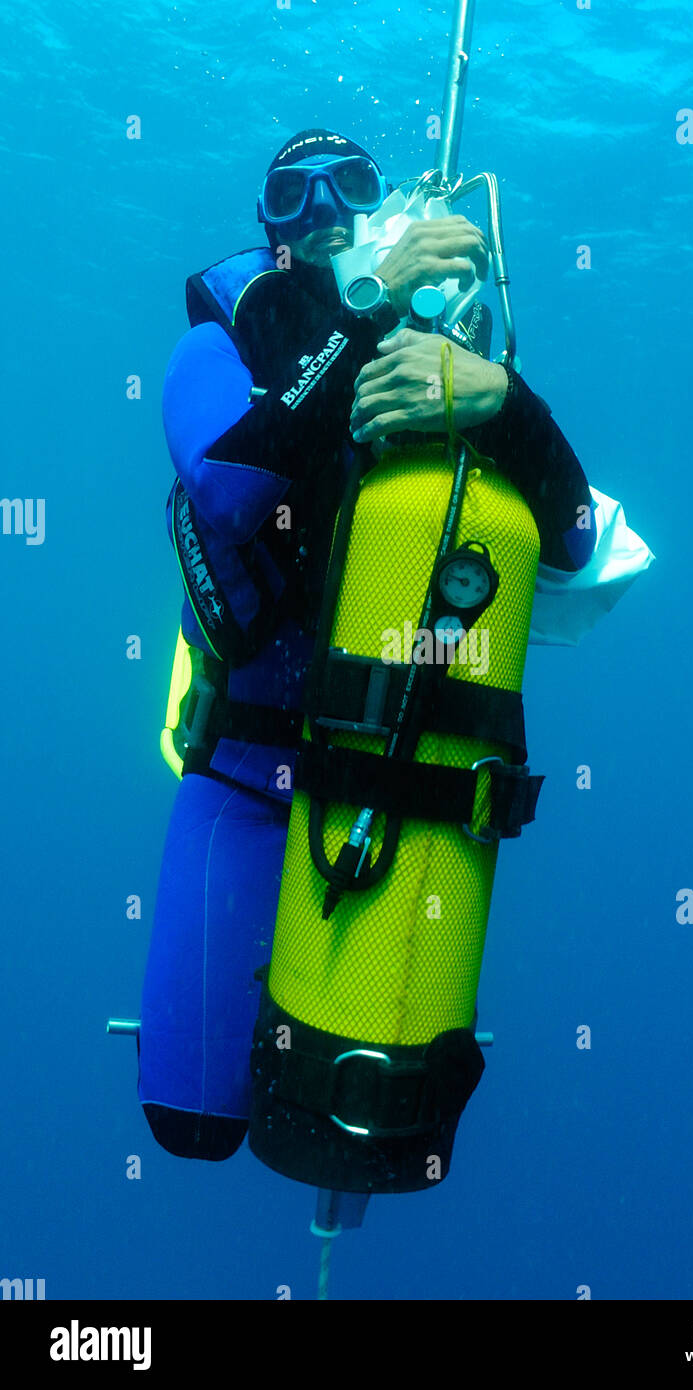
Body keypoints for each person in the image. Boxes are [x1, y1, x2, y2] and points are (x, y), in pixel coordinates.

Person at [138, 126, 630, 1162]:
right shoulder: (214, 349)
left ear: (381, 208)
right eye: (290, 196)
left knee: (369, 1122)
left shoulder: (442, 365)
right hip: (246, 767)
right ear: (265, 229)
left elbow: (577, 546)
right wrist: (363, 312)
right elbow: (229, 491)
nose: (321, 214)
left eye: (350, 187)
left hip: (388, 785)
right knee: (191, 1121)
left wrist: (507, 401)